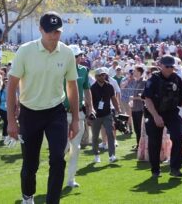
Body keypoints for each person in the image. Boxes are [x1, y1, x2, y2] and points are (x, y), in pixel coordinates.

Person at [7, 11, 79, 204]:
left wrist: (76, 119)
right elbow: (12, 84)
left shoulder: (67, 52)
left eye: (57, 32)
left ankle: (52, 201)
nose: (54, 36)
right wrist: (11, 121)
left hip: (55, 112)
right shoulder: (25, 50)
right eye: (50, 32)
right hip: (29, 113)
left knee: (58, 158)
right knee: (30, 164)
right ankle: (28, 196)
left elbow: (72, 85)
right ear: (40, 30)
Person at [142, 55, 182, 177]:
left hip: (172, 112)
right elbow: (147, 99)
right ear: (161, 66)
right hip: (155, 113)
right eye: (167, 66)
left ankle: (175, 168)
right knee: (154, 142)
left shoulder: (176, 78)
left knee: (178, 137)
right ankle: (155, 170)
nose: (170, 69)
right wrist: (156, 116)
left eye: (172, 66)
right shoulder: (153, 79)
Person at [64, 44, 92, 188]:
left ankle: (70, 180)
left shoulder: (83, 71)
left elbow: (87, 90)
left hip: (78, 113)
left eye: (80, 55)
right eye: (76, 56)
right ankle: (56, 176)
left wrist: (90, 108)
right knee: (62, 149)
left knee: (76, 148)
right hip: (61, 114)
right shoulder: (60, 70)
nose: (79, 58)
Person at [90, 67, 121, 163]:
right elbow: (89, 102)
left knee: (110, 134)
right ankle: (96, 154)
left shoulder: (109, 86)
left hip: (107, 114)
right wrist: (89, 115)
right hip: (96, 115)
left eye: (104, 75)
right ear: (96, 77)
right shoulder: (92, 88)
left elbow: (113, 98)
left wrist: (118, 109)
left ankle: (112, 155)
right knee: (95, 136)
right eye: (101, 75)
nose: (103, 76)